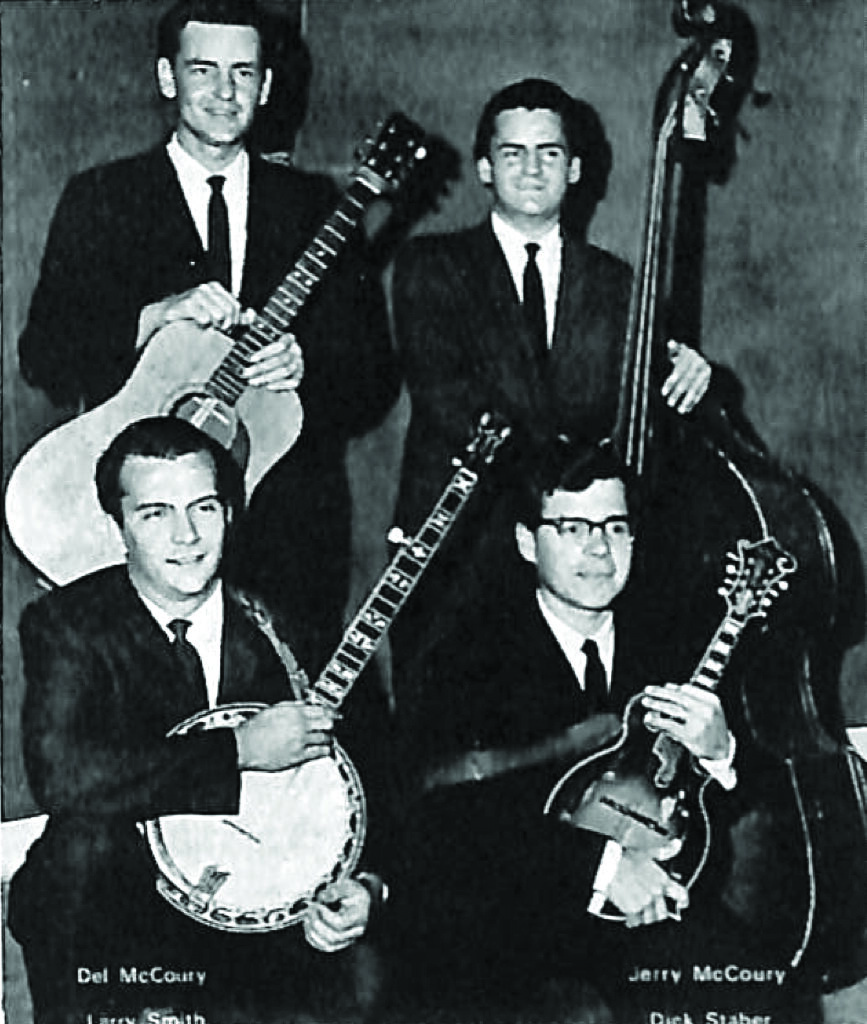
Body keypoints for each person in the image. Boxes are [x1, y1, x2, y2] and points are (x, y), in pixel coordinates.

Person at [17, 0, 398, 672]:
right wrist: (153, 318)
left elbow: (371, 380)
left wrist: (306, 366)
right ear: (168, 77)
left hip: (283, 535)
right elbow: (45, 354)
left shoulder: (315, 207)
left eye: (243, 73)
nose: (225, 91)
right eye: (203, 70)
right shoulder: (103, 197)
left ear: (267, 86)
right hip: (138, 533)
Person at [390, 441, 823, 1023]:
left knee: (771, 997)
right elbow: (447, 819)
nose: (599, 548)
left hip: (652, 915)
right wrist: (603, 865)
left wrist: (721, 753)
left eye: (615, 527)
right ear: (527, 542)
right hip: (516, 931)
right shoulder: (466, 657)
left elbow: (747, 800)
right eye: (572, 528)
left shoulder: (675, 642)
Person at [7, 416, 388, 1024]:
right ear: (117, 526)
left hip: (257, 900)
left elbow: (381, 770)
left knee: (363, 978)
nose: (185, 536)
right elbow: (63, 774)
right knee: (78, 856)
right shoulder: (69, 623)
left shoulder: (291, 624)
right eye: (155, 513)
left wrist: (368, 886)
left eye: (203, 508)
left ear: (230, 515)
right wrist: (238, 749)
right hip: (121, 897)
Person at [389, 77, 718, 708]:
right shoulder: (431, 265)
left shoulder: (619, 284)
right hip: (461, 542)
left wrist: (688, 375)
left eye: (549, 153)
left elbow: (638, 414)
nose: (532, 169)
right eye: (513, 153)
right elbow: (449, 400)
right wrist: (565, 488)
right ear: (485, 168)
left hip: (572, 554)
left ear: (575, 169)